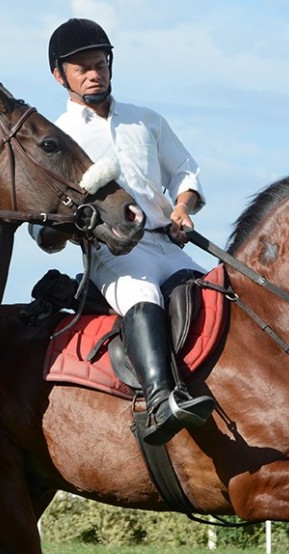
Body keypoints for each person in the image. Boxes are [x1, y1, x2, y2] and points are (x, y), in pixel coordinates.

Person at [34, 18, 215, 445]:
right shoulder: (59, 137)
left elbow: (186, 170)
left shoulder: (146, 120)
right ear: (60, 76)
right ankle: (159, 403)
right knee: (143, 294)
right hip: (113, 253)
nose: (95, 72)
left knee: (213, 294)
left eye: (100, 63)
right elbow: (46, 218)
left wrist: (184, 208)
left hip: (169, 243)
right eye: (83, 68)